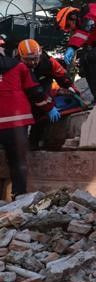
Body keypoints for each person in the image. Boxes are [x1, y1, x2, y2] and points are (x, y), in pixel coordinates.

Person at [0, 50, 56, 197]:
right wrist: (49, 108)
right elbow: (35, 91)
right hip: (17, 122)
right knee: (18, 161)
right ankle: (18, 196)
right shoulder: (19, 67)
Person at [17, 39, 75, 149]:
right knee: (21, 118)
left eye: (35, 59)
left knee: (41, 116)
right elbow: (32, 90)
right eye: (28, 60)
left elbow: (62, 75)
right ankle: (19, 144)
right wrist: (48, 106)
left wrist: (71, 88)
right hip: (24, 93)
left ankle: (34, 143)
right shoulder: (16, 66)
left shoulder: (48, 62)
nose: (32, 63)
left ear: (40, 54)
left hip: (43, 88)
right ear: (21, 57)